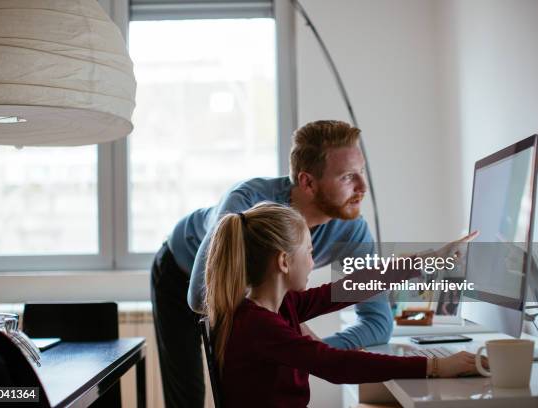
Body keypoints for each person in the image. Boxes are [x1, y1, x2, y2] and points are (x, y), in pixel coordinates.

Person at [152, 120, 401, 407]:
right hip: (181, 272)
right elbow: (200, 296)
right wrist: (303, 348)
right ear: (308, 181)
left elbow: (379, 322)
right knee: (188, 397)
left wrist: (308, 352)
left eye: (362, 171)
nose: (363, 187)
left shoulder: (351, 229)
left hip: (244, 297)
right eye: (347, 177)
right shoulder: (248, 202)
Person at [205, 202, 482, 408]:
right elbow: (335, 365)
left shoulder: (278, 306)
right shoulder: (258, 325)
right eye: (309, 252)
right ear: (284, 262)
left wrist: (427, 260)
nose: (313, 262)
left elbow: (346, 289)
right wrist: (434, 367)